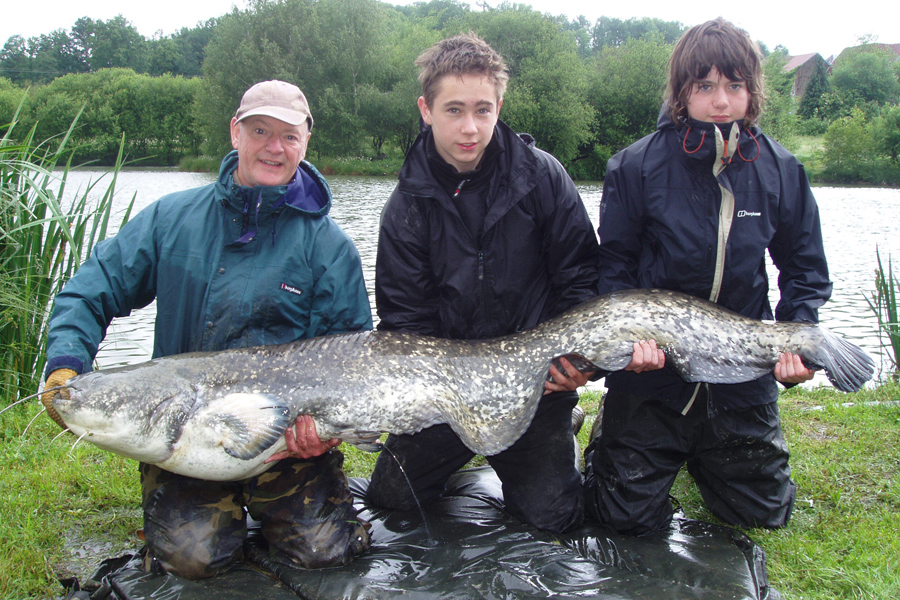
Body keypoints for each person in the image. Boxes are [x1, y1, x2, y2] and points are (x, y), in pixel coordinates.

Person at [40, 80, 373, 579]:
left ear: (306, 142)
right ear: (235, 132)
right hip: (185, 439)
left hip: (288, 446)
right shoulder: (170, 219)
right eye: (260, 130)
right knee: (192, 560)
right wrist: (66, 364)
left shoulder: (330, 248)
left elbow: (354, 357)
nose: (274, 147)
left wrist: (327, 434)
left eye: (289, 135)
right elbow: (90, 289)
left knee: (324, 555)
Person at [366, 33, 663, 534]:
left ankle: (564, 429)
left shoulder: (543, 177)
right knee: (389, 501)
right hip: (448, 399)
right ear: (426, 109)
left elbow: (580, 284)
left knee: (553, 520)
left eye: (483, 110)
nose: (470, 128)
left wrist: (577, 368)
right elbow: (404, 323)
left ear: (499, 106)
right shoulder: (405, 207)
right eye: (454, 110)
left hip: (537, 388)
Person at [583, 18, 832, 536]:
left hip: (743, 380)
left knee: (763, 515)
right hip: (653, 380)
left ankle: (711, 457)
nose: (721, 100)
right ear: (682, 92)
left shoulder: (782, 170)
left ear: (751, 91)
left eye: (734, 85)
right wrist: (629, 347)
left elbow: (804, 268)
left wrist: (799, 336)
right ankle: (612, 429)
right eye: (705, 86)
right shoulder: (634, 166)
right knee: (620, 520)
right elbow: (615, 270)